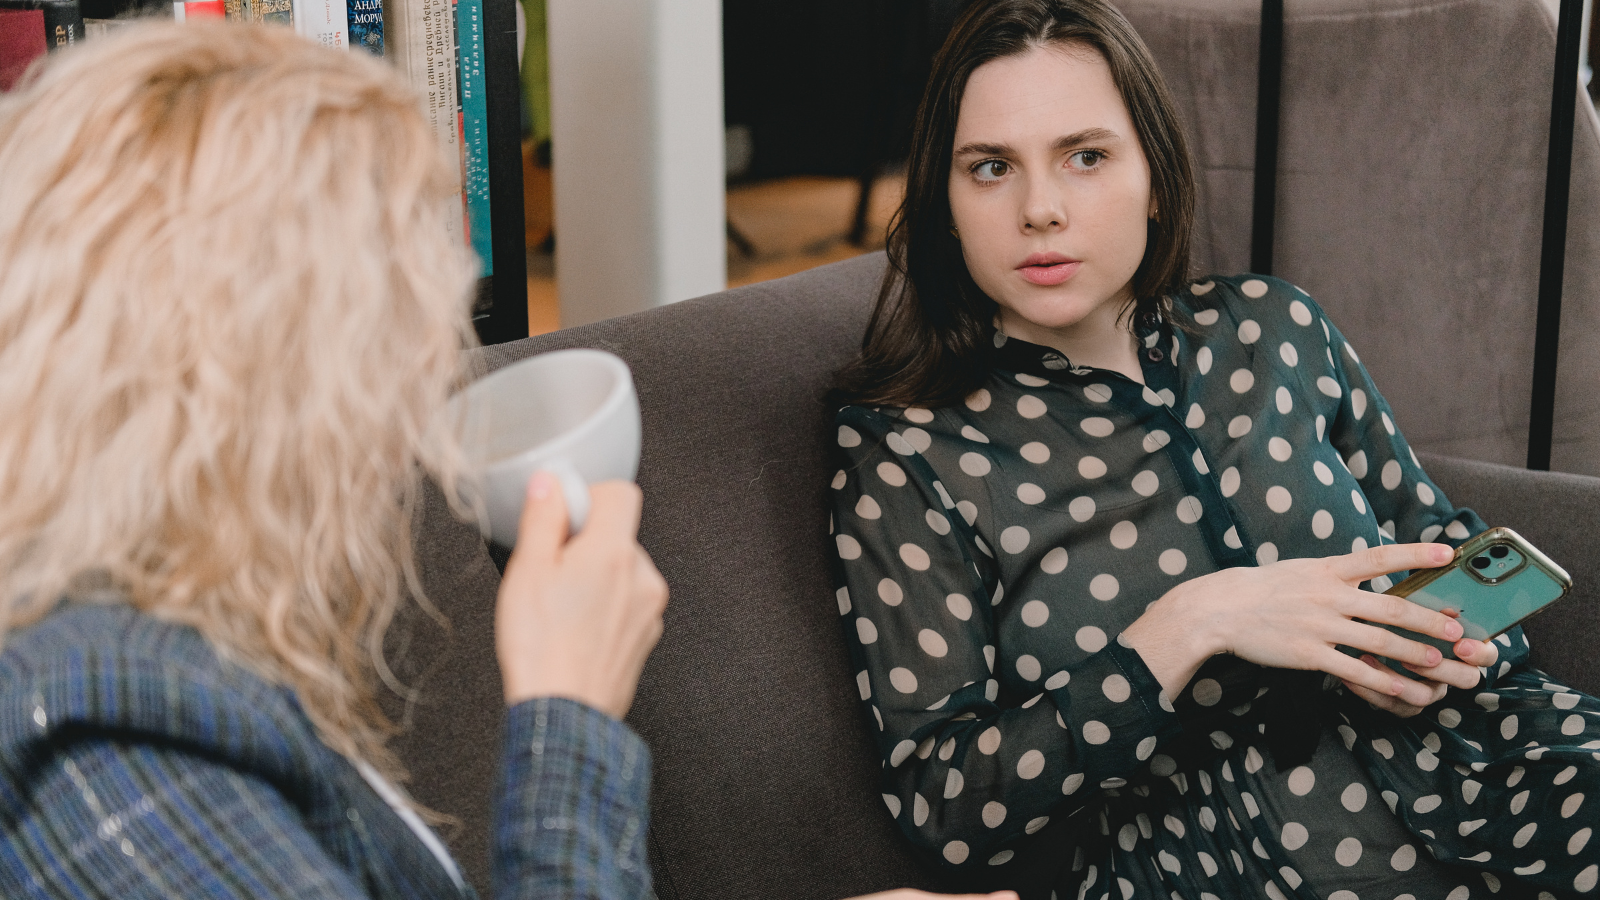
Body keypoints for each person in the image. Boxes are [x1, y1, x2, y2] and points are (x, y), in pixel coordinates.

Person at [0, 22, 1014, 900]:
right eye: (402, 327)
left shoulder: (158, 656)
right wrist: (566, 712)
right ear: (262, 372)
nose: (420, 394)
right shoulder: (100, 737)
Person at [827, 2, 1600, 898]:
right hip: (1228, 859)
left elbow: (1441, 547)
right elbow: (947, 809)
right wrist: (1189, 626)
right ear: (946, 200)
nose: (1040, 210)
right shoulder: (906, 450)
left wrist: (1445, 655)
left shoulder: (1274, 325)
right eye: (991, 168)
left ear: (1154, 176)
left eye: (1086, 156)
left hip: (1494, 769)